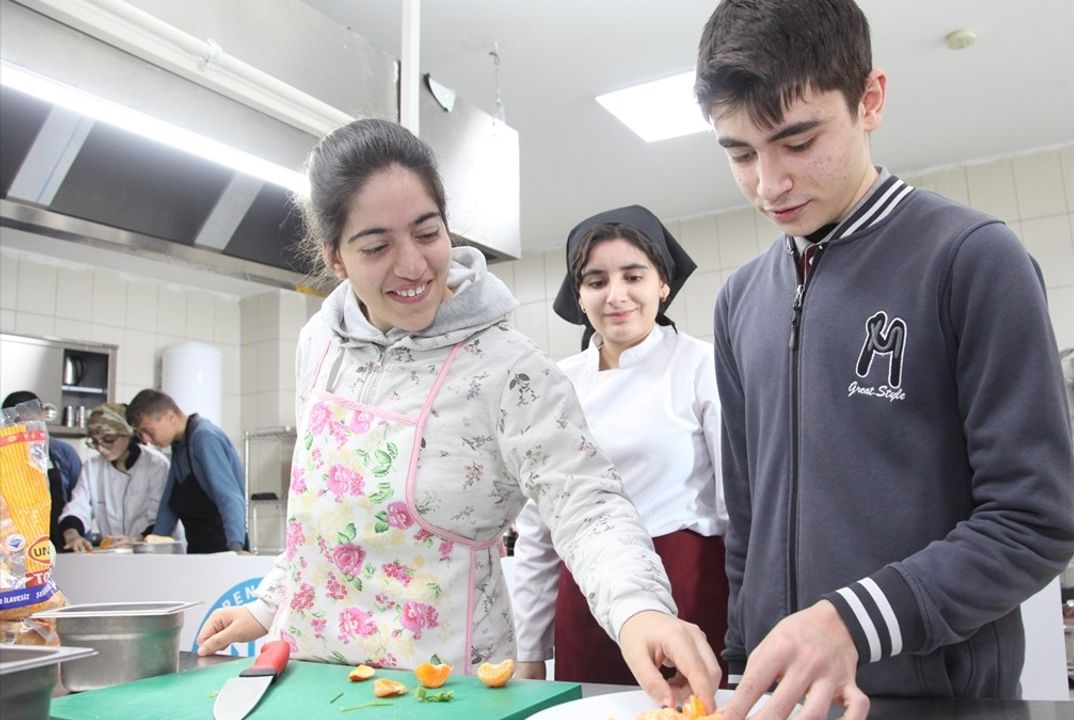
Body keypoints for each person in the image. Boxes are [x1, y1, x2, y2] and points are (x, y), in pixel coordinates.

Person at [191, 118, 720, 709]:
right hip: (312, 678)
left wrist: (639, 610)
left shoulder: (507, 369)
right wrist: (267, 605)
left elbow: (587, 504)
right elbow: (323, 519)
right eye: (376, 246)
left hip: (448, 687)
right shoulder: (318, 345)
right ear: (335, 258)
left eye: (427, 232)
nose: (413, 265)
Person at [694, 1, 1074, 718]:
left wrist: (850, 622)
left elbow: (1035, 521)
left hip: (937, 701)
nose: (768, 183)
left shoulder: (971, 260)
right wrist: (747, 663)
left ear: (869, 100)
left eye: (797, 141)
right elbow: (746, 522)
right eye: (740, 153)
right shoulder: (740, 301)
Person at [511, 206, 728, 685]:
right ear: (580, 296)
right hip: (586, 593)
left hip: (687, 587)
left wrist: (754, 622)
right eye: (596, 281)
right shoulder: (557, 384)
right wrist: (528, 649)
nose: (616, 296)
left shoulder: (701, 366)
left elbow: (741, 507)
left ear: (663, 284)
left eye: (634, 275)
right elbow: (538, 529)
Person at [126, 389, 247, 554]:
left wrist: (236, 548)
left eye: (149, 431)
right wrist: (154, 541)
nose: (146, 439)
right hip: (198, 546)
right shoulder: (180, 444)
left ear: (170, 417)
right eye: (141, 434)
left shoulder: (204, 437)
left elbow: (230, 496)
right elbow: (169, 502)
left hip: (224, 546)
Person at [58, 403, 170, 552]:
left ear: (129, 433)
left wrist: (136, 540)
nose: (101, 448)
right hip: (113, 554)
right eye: (95, 442)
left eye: (109, 440)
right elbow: (78, 508)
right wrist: (72, 535)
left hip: (153, 554)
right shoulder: (92, 467)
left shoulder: (156, 465)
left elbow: (162, 518)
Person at [1, 391, 82, 542]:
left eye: (31, 422)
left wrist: (74, 533)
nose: (26, 429)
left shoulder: (63, 453)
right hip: (15, 546)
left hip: (61, 543)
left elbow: (78, 501)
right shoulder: (3, 457)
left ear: (42, 416)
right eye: (18, 423)